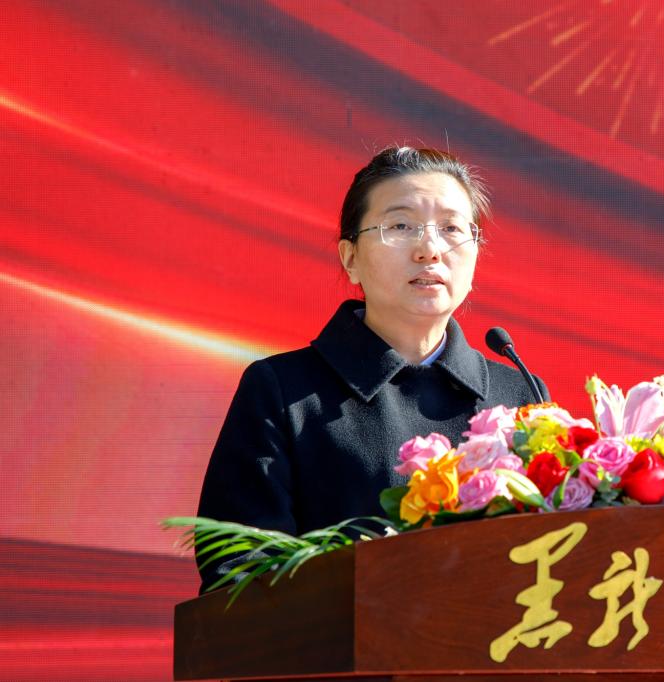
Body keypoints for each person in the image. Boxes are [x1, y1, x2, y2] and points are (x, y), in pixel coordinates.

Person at [196, 147, 547, 591]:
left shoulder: (521, 395)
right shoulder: (283, 392)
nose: (430, 249)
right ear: (350, 258)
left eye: (452, 228)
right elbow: (241, 571)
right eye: (400, 226)